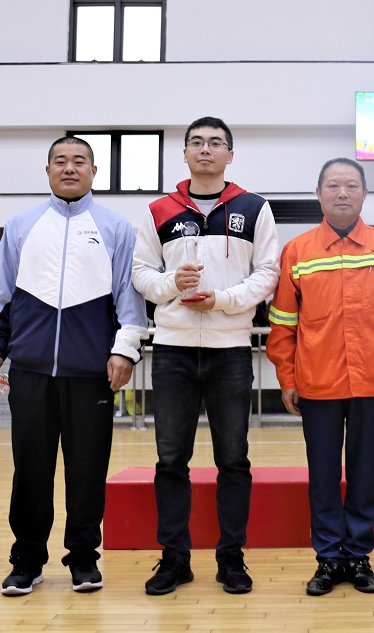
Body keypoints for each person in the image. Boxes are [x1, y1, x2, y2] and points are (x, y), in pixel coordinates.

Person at [0, 136, 147, 596]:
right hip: (31, 372)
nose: (69, 168)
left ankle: (84, 559)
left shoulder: (116, 228)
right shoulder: (21, 225)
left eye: (79, 161)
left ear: (94, 171)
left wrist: (124, 350)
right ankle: (27, 559)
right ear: (48, 170)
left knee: (87, 471)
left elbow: (129, 300)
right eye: (60, 161)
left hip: (91, 373)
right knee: (30, 470)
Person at [132, 116, 280, 596]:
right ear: (184, 153)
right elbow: (140, 273)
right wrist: (172, 284)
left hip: (230, 351)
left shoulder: (254, 208)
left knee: (233, 459)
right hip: (172, 350)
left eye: (216, 142)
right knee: (170, 460)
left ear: (230, 154)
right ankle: (175, 559)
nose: (205, 149)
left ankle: (231, 558)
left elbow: (268, 274)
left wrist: (222, 300)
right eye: (196, 142)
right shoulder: (158, 210)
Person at [266, 158, 374, 597]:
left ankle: (358, 556)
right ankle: (329, 558)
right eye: (333, 186)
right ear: (319, 194)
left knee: (365, 474)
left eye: (352, 185)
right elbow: (283, 323)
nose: (343, 193)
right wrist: (287, 377)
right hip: (317, 383)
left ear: (365, 193)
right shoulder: (298, 252)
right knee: (323, 476)